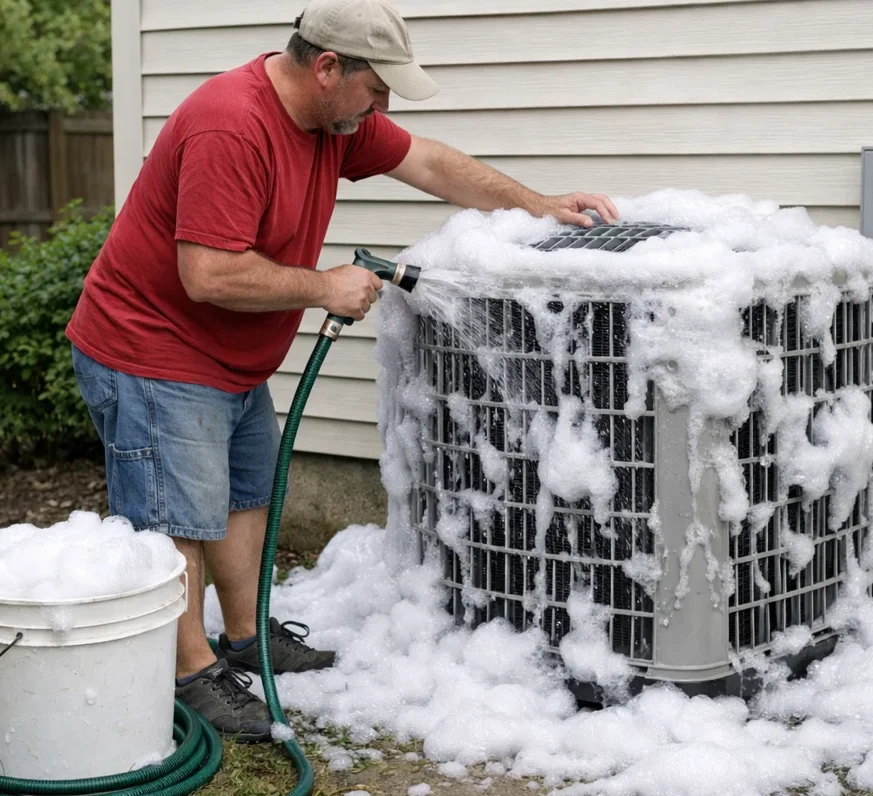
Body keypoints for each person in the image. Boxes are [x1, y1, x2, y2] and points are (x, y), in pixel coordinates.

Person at [65, 0, 619, 742]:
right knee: (175, 520)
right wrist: (323, 286)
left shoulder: (333, 121)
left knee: (241, 496)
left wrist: (539, 204)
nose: (382, 107)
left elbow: (428, 161)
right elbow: (206, 274)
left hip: (227, 360)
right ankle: (190, 675)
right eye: (378, 89)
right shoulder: (232, 124)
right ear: (327, 68)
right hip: (151, 350)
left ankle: (244, 640)